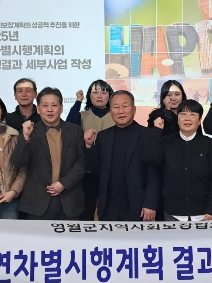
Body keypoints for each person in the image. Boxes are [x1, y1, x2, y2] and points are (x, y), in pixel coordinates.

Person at [144, 99, 212, 283]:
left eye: (192, 115)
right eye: (183, 114)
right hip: (174, 213)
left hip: (204, 214)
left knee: (203, 264)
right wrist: (156, 132)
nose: (187, 118)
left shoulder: (209, 145)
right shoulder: (166, 142)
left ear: (200, 120)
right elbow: (149, 158)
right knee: (180, 263)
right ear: (177, 118)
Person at [84, 90, 160, 222]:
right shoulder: (103, 136)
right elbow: (95, 169)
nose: (121, 111)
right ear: (110, 111)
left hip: (138, 207)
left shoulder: (148, 135)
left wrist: (150, 204)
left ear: (134, 109)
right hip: (108, 207)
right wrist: (89, 146)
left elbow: (154, 174)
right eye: (116, 107)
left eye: (125, 106)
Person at [11, 87, 86, 220]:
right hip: (38, 202)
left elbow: (82, 162)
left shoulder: (75, 131)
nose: (50, 110)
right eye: (45, 106)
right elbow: (18, 162)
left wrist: (64, 183)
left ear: (61, 108)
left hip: (69, 200)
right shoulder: (30, 131)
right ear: (38, 109)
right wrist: (25, 137)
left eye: (54, 105)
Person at [66, 80, 115, 221]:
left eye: (103, 92)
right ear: (89, 95)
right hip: (86, 172)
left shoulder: (115, 115)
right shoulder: (82, 115)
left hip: (111, 172)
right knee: (86, 211)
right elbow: (69, 126)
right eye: (95, 92)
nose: (99, 96)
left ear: (110, 96)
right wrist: (78, 101)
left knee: (109, 211)